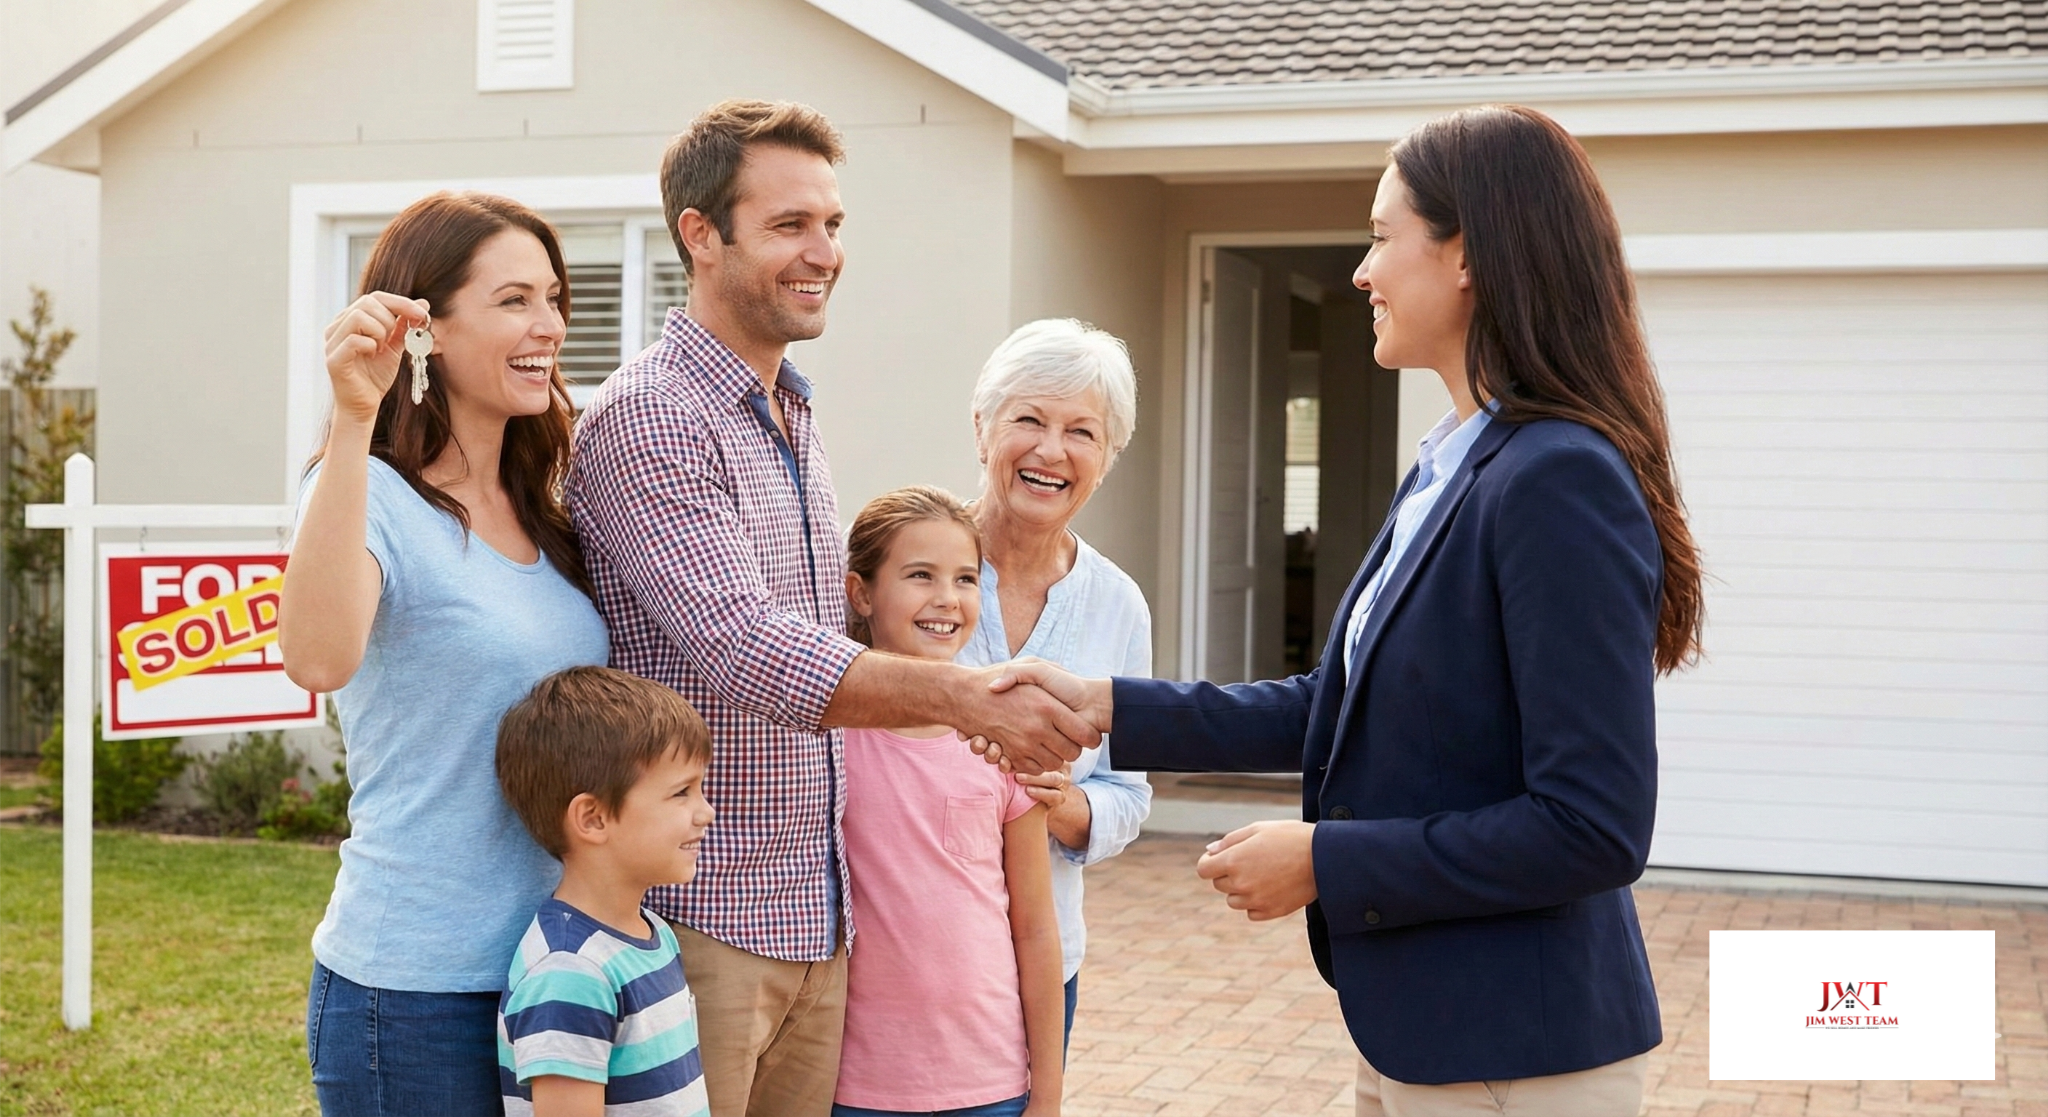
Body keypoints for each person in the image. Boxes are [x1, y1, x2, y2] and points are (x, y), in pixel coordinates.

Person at [989, 104, 1705, 1117]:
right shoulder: (1448, 467)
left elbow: (1590, 826)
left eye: (1380, 237)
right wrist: (1105, 703)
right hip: (1420, 1033)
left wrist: (1323, 859)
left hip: (1517, 1052)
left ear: (1465, 255)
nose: (1361, 272)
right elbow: (1342, 700)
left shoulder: (1555, 479)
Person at [567, 100, 1096, 1117]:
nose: (823, 252)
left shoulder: (788, 407)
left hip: (815, 918)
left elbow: (827, 631)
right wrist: (971, 698)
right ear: (699, 235)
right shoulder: (651, 416)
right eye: (789, 226)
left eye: (833, 225)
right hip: (706, 910)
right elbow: (742, 646)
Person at [280, 191, 611, 1116]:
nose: (547, 324)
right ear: (424, 326)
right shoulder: (368, 491)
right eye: (513, 300)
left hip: (562, 971)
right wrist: (352, 417)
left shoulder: (544, 502)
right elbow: (315, 656)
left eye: (554, 298)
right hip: (415, 989)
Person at [833, 487, 1063, 1117]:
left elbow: (1037, 929)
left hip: (989, 1081)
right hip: (854, 1084)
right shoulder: (828, 743)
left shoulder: (1005, 741)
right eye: (919, 576)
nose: (946, 598)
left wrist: (1046, 1094)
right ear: (861, 594)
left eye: (965, 578)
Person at [954, 320, 1153, 1045]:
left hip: (1041, 960)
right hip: (897, 953)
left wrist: (1067, 805)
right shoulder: (903, 567)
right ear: (982, 428)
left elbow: (1130, 795)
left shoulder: (1118, 603)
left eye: (1082, 432)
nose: (1051, 450)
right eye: (1028, 419)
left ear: (1106, 458)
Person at [494, 666, 717, 1117]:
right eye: (682, 793)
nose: (705, 812)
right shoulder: (570, 973)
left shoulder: (652, 933)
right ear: (593, 818)